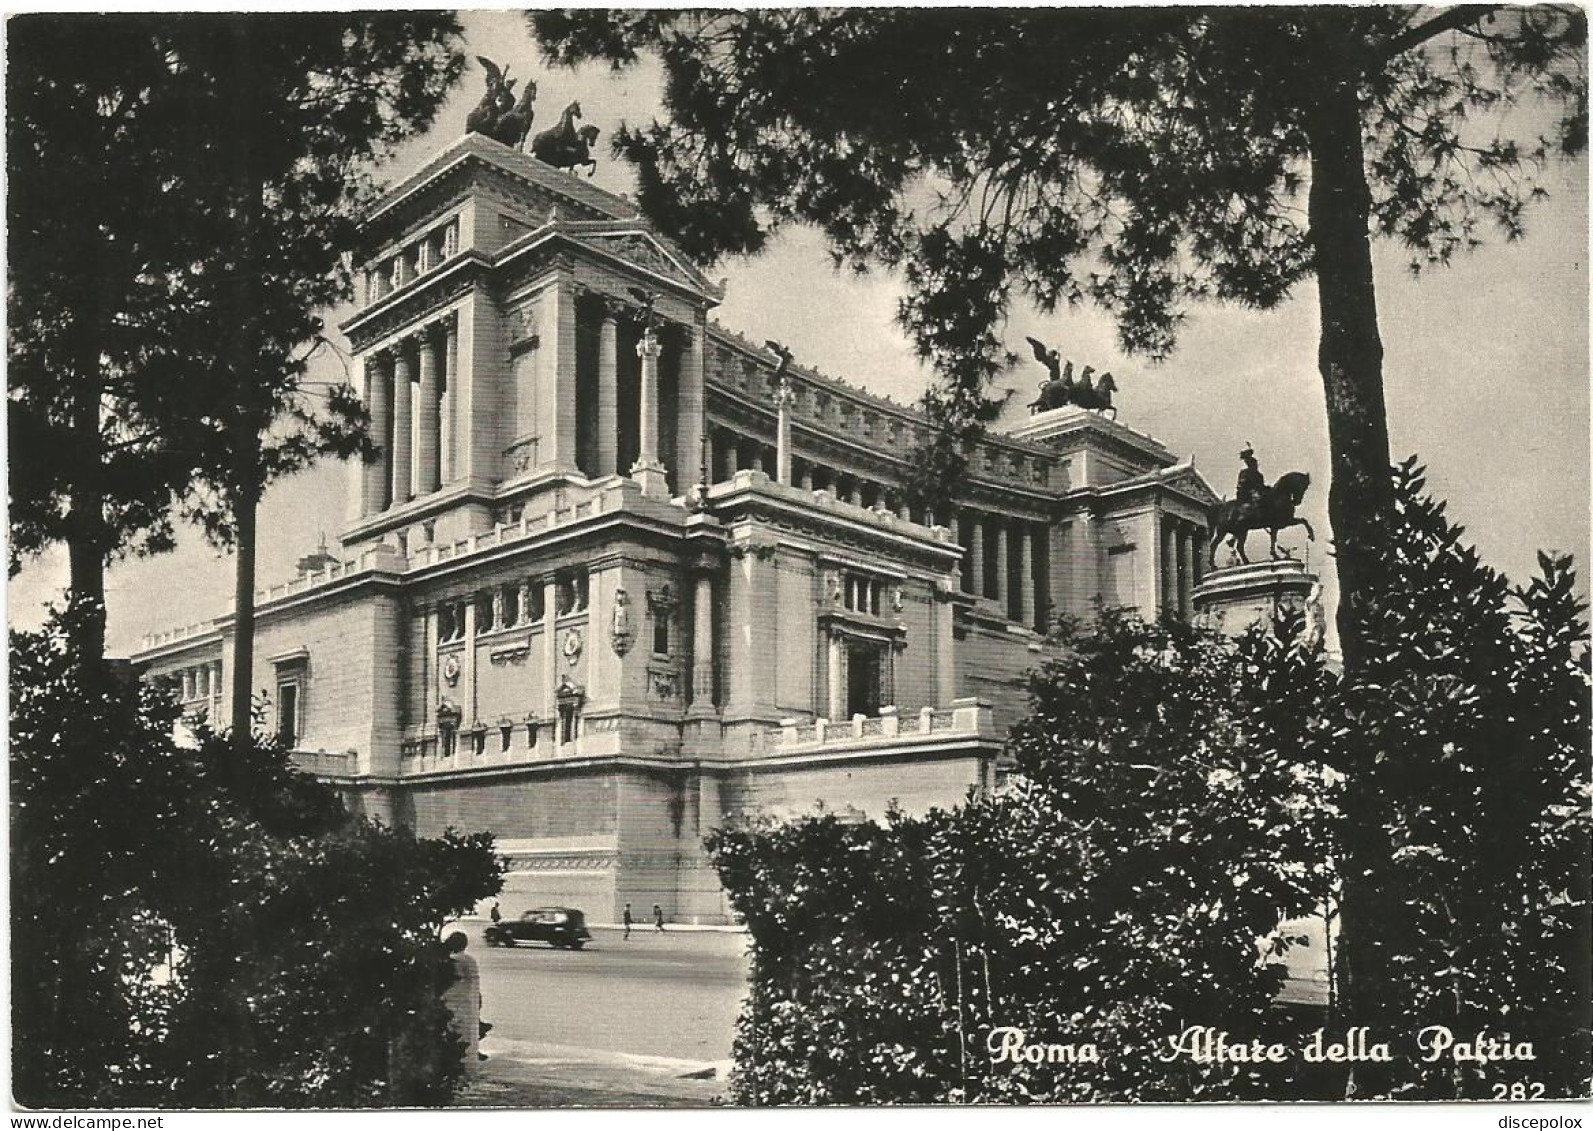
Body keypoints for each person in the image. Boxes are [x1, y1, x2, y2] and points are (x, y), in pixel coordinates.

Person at [441, 931, 485, 1067]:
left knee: (453, 1029)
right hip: (468, 1000)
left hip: (452, 1000)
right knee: (468, 1031)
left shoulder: (453, 960)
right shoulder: (469, 960)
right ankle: (469, 1054)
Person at [1235, 444, 1266, 520]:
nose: (1255, 466)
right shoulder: (1244, 473)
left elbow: (1261, 486)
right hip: (1246, 494)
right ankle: (1242, 515)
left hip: (1258, 494)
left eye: (1255, 464)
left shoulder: (1259, 475)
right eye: (1252, 464)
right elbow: (1240, 485)